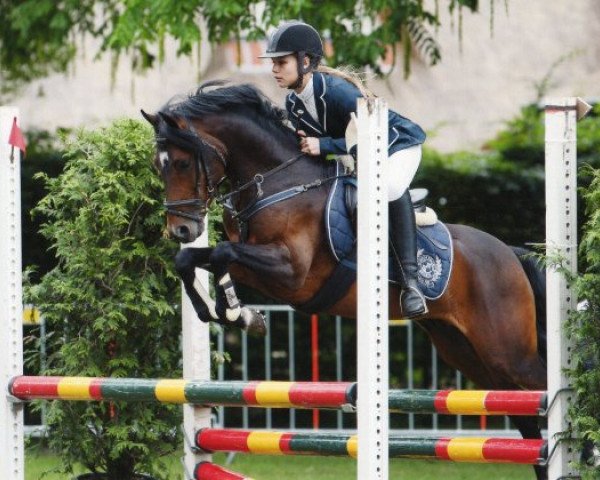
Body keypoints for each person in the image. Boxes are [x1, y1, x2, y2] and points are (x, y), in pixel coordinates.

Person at [259, 20, 428, 319]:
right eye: (273, 63)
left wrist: (323, 146)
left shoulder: (337, 92)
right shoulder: (294, 103)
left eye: (281, 62)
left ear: (305, 61)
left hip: (397, 145)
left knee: (386, 187)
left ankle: (411, 284)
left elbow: (375, 136)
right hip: (361, 156)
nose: (274, 70)